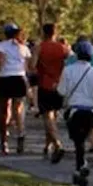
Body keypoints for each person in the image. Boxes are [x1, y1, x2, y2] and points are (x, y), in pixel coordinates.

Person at [57, 40, 93, 186]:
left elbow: (61, 91)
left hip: (75, 110)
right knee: (85, 136)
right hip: (91, 111)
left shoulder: (68, 70)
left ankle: (81, 165)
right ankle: (81, 166)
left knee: (78, 142)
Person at [33, 23, 71, 162]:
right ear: (56, 33)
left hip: (45, 84)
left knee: (47, 116)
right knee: (52, 116)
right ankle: (47, 146)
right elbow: (70, 61)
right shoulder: (63, 48)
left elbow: (32, 66)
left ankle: (57, 144)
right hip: (59, 84)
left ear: (43, 32)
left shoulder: (39, 47)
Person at [0, 24, 33, 155]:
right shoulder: (24, 48)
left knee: (4, 110)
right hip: (19, 78)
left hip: (5, 78)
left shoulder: (1, 46)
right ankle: (21, 134)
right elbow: (27, 66)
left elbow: (0, 62)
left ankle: (4, 141)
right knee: (18, 109)